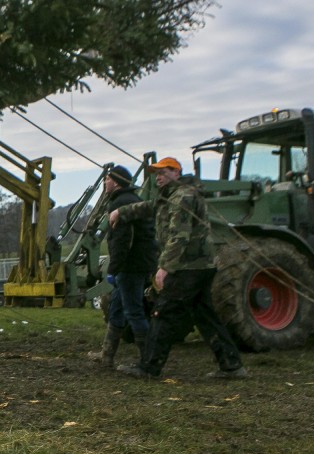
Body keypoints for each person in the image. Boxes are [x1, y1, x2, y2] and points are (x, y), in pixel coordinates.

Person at [109, 157, 247, 379]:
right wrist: (121, 212)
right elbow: (149, 206)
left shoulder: (183, 197)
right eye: (156, 173)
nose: (159, 177)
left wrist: (165, 268)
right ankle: (232, 366)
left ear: (176, 172)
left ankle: (149, 367)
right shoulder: (173, 196)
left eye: (163, 172)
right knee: (206, 317)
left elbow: (179, 237)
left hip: (187, 267)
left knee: (163, 312)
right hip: (202, 266)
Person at [95, 165, 157, 368]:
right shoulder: (131, 200)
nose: (105, 183)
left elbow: (122, 241)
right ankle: (106, 356)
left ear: (117, 182)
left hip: (131, 266)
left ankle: (149, 361)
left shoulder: (121, 203)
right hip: (136, 263)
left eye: (107, 179)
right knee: (117, 309)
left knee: (133, 311)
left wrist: (114, 269)